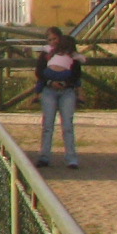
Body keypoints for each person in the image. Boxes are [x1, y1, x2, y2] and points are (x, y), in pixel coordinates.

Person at [35, 34, 83, 169]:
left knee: (67, 125)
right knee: (48, 125)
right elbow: (40, 72)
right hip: (49, 90)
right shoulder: (48, 55)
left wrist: (65, 83)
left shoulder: (73, 58)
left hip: (67, 91)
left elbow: (77, 74)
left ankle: (71, 158)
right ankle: (44, 156)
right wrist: (51, 81)